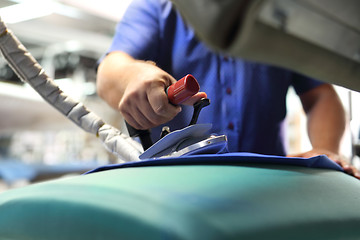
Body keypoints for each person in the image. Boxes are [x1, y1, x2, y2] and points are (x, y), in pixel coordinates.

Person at [96, 0, 358, 178]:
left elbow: (320, 95)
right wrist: (136, 74)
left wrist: (325, 150)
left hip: (268, 184)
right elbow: (109, 72)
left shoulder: (280, 16)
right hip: (177, 185)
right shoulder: (157, 7)